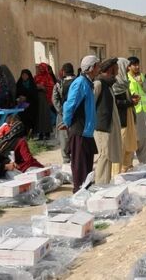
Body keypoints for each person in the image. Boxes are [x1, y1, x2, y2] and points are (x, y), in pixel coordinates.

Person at [63, 55, 101, 193]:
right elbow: (70, 105)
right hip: (80, 129)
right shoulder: (80, 83)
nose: (99, 68)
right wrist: (67, 122)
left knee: (87, 167)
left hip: (87, 131)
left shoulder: (88, 82)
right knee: (80, 167)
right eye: (97, 66)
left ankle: (86, 192)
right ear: (91, 68)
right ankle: (79, 193)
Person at [93, 58, 123, 184]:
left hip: (109, 126)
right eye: (116, 69)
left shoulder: (108, 85)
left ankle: (106, 184)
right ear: (111, 69)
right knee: (104, 156)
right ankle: (100, 185)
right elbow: (90, 105)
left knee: (108, 156)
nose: (118, 72)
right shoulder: (98, 84)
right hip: (101, 127)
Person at [113, 58, 139, 173]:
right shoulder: (114, 83)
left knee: (129, 144)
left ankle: (126, 169)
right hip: (120, 119)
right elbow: (115, 102)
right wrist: (129, 102)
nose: (129, 68)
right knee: (121, 146)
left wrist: (132, 99)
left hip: (129, 116)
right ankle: (116, 174)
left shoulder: (124, 81)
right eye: (127, 66)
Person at [129, 56, 146, 165]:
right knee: (132, 139)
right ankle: (128, 165)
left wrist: (141, 83)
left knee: (144, 138)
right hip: (133, 113)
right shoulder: (126, 79)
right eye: (134, 65)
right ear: (129, 67)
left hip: (143, 112)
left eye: (138, 64)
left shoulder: (141, 76)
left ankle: (144, 164)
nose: (137, 67)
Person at [52, 62, 76, 164]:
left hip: (63, 115)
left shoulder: (59, 84)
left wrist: (61, 111)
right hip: (76, 115)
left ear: (63, 72)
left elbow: (55, 99)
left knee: (64, 137)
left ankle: (66, 160)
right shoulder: (78, 81)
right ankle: (75, 158)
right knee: (75, 136)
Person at [33, 64, 55, 141]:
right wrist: (36, 87)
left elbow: (51, 87)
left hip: (45, 98)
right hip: (37, 98)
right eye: (38, 68)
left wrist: (43, 87)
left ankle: (47, 133)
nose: (39, 70)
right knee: (39, 116)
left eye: (40, 68)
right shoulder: (36, 77)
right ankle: (40, 134)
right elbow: (32, 86)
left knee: (45, 115)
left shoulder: (48, 77)